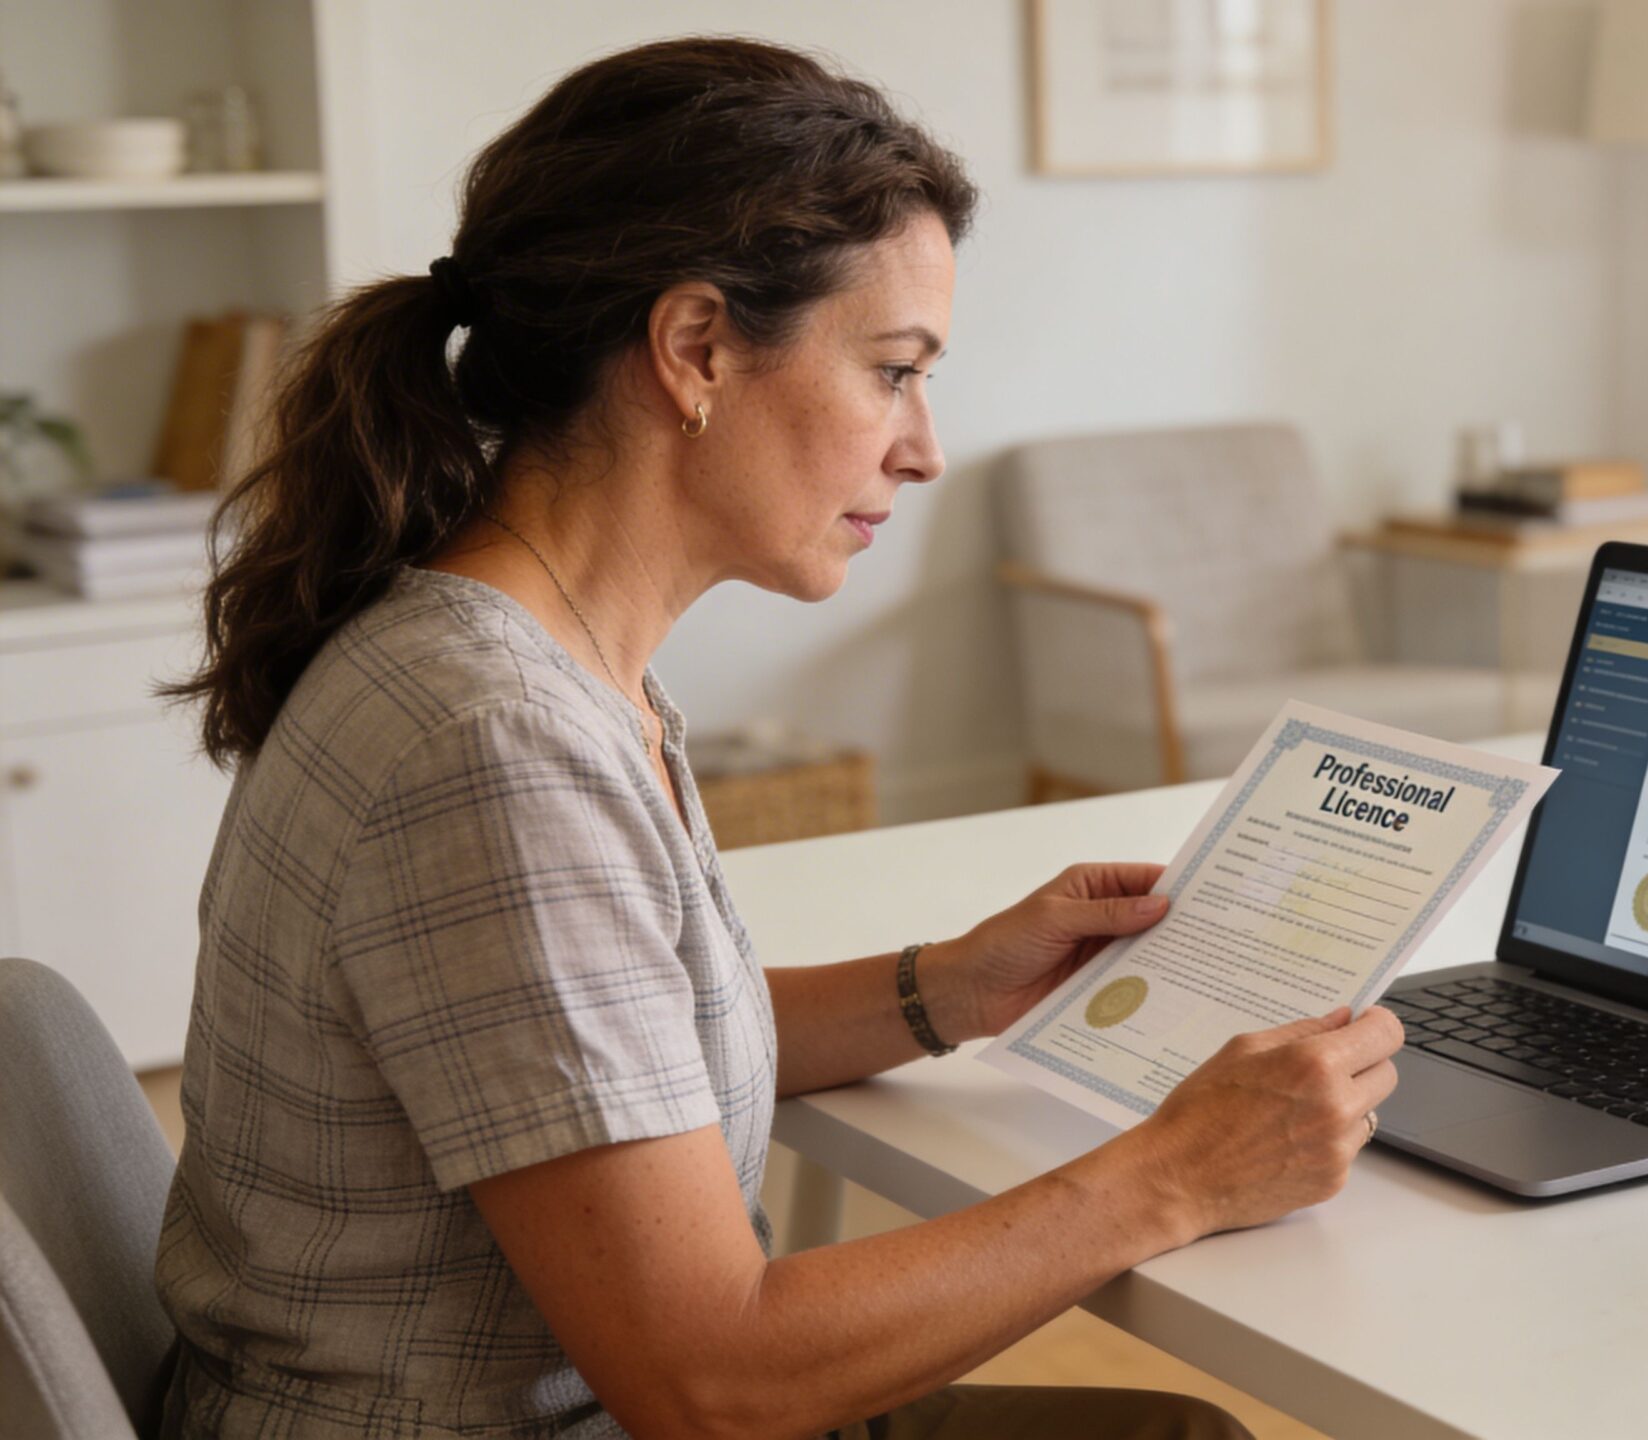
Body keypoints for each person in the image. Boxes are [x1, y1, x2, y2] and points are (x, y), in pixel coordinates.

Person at [154, 38, 1401, 1440]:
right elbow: (712, 1381)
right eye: (892, 371)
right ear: (696, 349)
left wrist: (952, 986)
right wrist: (1178, 1174)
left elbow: (620, 1055)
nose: (924, 448)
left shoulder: (530, 651)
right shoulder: (494, 745)